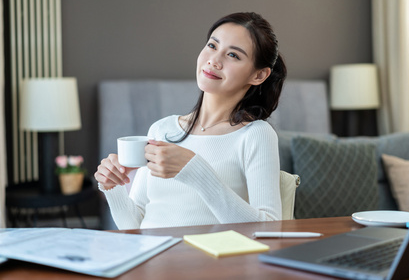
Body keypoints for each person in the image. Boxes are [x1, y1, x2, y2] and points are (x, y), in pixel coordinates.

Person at [94, 12, 287, 229]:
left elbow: (270, 227)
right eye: (212, 46)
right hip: (149, 257)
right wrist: (112, 187)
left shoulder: (255, 134)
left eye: (233, 55)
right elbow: (133, 225)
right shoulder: (161, 130)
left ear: (259, 76)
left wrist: (195, 171)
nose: (214, 60)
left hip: (206, 261)